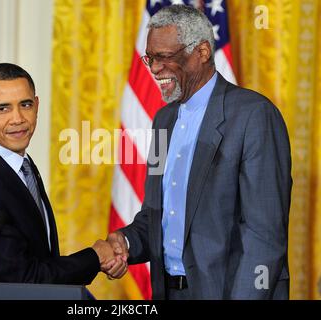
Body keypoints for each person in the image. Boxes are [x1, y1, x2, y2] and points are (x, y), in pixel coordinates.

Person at [106, 5, 292, 300]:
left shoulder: (254, 116)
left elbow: (264, 236)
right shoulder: (162, 121)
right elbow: (156, 215)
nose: (154, 69)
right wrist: (126, 240)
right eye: (150, 58)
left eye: (165, 58)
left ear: (202, 52)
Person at [0, 63, 126, 285]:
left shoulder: (21, 165)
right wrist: (94, 257)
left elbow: (39, 256)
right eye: (3, 108)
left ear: (37, 105)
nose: (18, 118)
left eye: (25, 104)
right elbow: (21, 279)